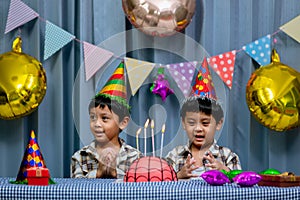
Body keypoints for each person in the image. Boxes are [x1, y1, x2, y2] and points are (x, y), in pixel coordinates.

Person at [165, 58, 241, 179]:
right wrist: (179, 175)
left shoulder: (227, 156)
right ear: (183, 123)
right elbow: (162, 186)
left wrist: (225, 171)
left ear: (219, 124)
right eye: (191, 123)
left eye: (205, 123)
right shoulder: (174, 156)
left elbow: (241, 185)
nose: (198, 129)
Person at [71, 61, 141, 179]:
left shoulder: (135, 157)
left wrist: (115, 173)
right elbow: (75, 191)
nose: (96, 124)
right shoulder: (80, 157)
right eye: (93, 117)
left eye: (104, 118)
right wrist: (98, 173)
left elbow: (140, 187)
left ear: (123, 122)